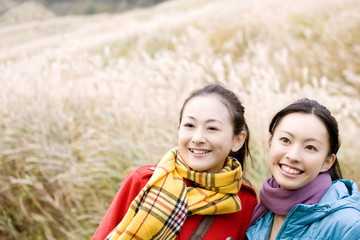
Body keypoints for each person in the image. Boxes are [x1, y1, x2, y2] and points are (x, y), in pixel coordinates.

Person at [92, 84, 258, 240]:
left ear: (237, 140)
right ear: (179, 130)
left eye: (212, 128)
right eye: (189, 125)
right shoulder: (144, 182)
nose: (197, 138)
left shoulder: (244, 203)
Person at [246, 98, 360, 240]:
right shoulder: (260, 211)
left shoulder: (348, 226)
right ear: (270, 144)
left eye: (310, 147)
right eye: (285, 140)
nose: (293, 156)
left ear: (327, 162)